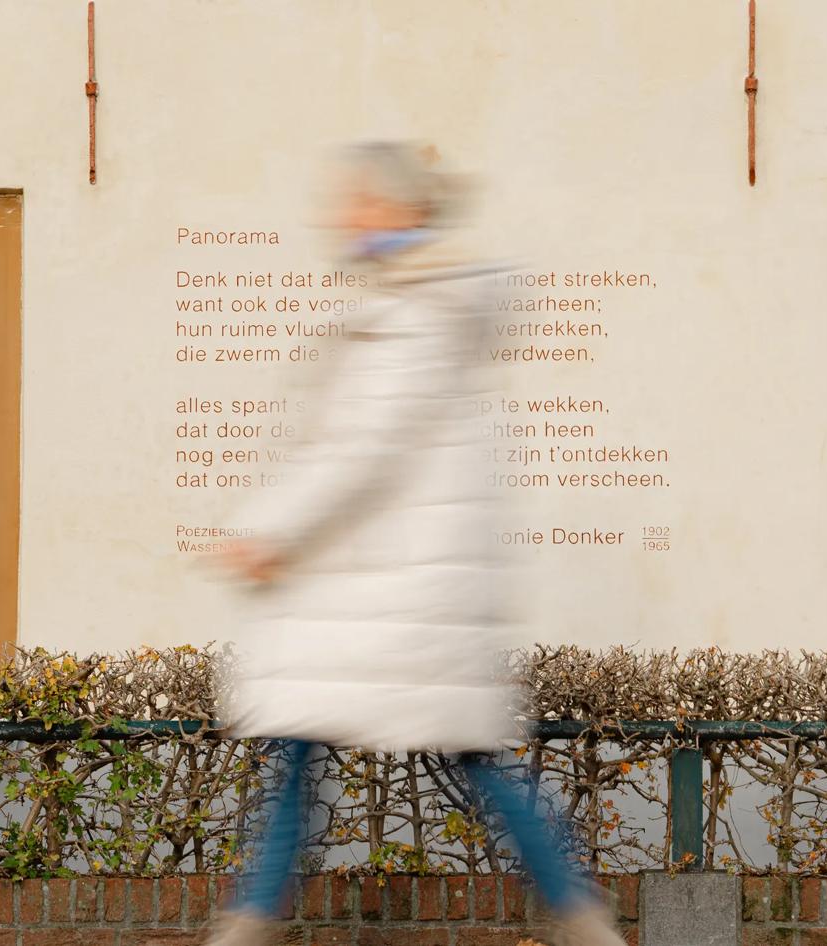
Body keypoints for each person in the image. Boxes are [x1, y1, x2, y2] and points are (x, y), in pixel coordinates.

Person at [209, 141, 626, 946]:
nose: (342, 217)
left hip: (386, 592)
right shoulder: (424, 305)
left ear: (398, 210)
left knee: (316, 751)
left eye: (357, 201)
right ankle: (580, 918)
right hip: (400, 590)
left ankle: (249, 924)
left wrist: (267, 531)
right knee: (423, 759)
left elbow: (360, 447)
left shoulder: (411, 313)